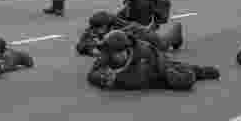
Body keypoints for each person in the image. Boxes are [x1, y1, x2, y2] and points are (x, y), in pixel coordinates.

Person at [87, 29, 220, 91]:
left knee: (180, 78)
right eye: (113, 53)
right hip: (140, 75)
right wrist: (101, 78)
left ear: (125, 50)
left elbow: (138, 81)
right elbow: (93, 73)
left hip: (157, 66)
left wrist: (115, 79)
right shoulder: (107, 53)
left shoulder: (143, 53)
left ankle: (201, 71)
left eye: (119, 52)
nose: (118, 56)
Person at [76, 10, 181, 56]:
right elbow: (80, 45)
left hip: (144, 34)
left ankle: (176, 30)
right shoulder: (93, 28)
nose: (96, 32)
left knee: (164, 45)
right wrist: (91, 50)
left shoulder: (125, 28)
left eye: (100, 29)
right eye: (95, 29)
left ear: (107, 25)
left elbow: (136, 44)